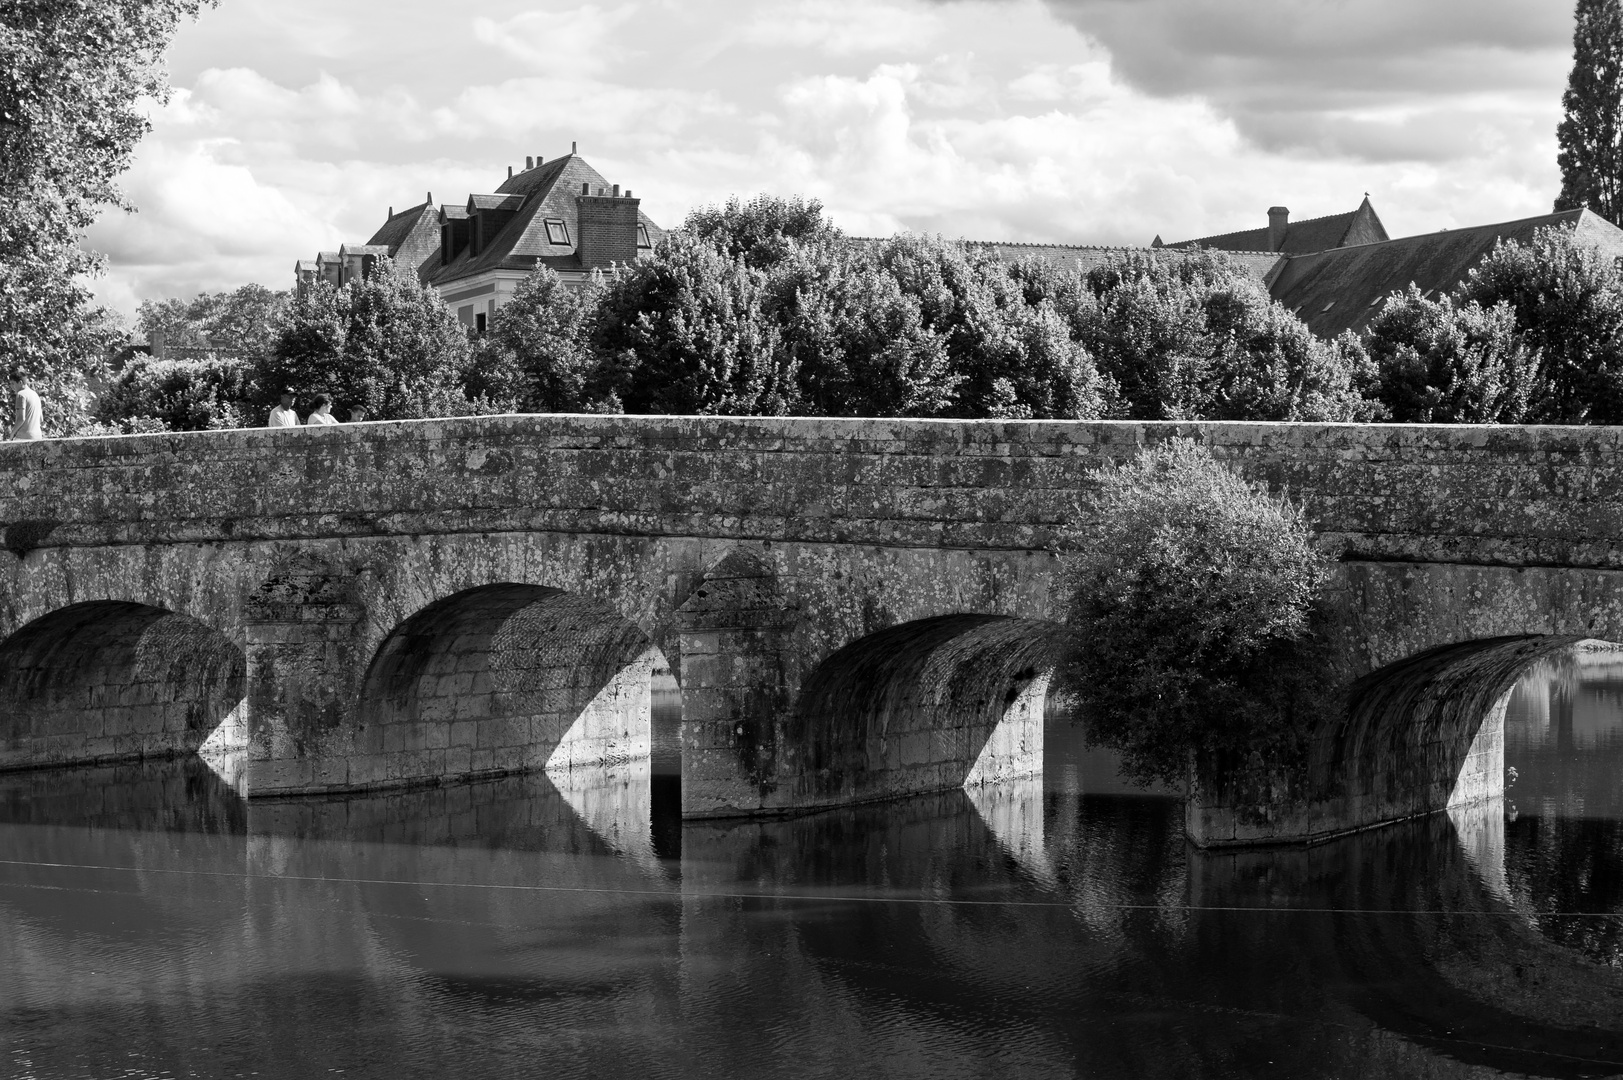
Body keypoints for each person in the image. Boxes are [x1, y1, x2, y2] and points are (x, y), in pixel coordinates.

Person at [6, 368, 43, 441]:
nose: (11, 386)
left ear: (20, 382)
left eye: (13, 383)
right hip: (38, 437)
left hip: (23, 437)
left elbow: (21, 419)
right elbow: (41, 419)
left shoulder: (21, 394)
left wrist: (12, 434)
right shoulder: (35, 394)